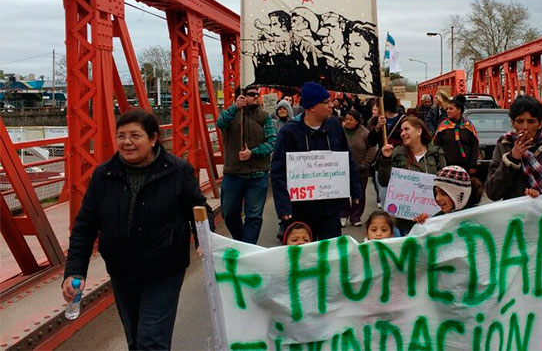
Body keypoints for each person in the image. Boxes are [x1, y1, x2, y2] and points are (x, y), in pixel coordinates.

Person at [62, 109, 209, 350]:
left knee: (151, 341)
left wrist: (204, 240)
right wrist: (75, 271)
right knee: (135, 339)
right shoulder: (104, 175)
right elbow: (85, 226)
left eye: (134, 135)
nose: (126, 142)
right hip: (122, 269)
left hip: (164, 267)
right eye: (121, 136)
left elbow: (199, 210)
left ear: (153, 139)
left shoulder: (177, 171)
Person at [271, 82, 361, 240]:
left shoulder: (334, 126)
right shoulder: (289, 133)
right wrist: (283, 207)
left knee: (331, 252)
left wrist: (355, 191)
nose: (331, 105)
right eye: (326, 102)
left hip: (330, 208)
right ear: (312, 106)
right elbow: (278, 171)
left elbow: (347, 159)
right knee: (306, 254)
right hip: (301, 209)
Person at [216, 84, 276, 244]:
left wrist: (253, 152)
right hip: (233, 173)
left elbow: (272, 142)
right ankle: (240, 240)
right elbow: (220, 123)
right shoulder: (231, 115)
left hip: (257, 174)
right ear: (240, 97)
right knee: (228, 213)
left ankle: (247, 247)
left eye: (257, 94)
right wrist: (235, 108)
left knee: (254, 216)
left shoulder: (264, 116)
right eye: (251, 94)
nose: (256, 96)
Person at [378, 115, 447, 234]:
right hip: (404, 223)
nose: (403, 133)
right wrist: (385, 159)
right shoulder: (396, 153)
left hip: (431, 221)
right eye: (401, 131)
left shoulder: (435, 153)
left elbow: (445, 184)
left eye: (406, 129)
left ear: (419, 131)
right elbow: (383, 181)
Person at [367, 91, 406, 207]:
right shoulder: (376, 121)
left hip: (400, 164)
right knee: (386, 201)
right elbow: (371, 141)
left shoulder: (403, 120)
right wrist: (378, 127)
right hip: (383, 164)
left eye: (377, 104)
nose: (374, 107)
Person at [341, 109, 377, 227]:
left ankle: (356, 217)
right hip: (343, 169)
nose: (348, 122)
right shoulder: (340, 131)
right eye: (346, 119)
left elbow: (372, 148)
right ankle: (344, 213)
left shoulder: (365, 133)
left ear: (357, 121)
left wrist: (364, 164)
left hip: (360, 170)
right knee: (343, 192)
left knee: (359, 193)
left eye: (351, 119)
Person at [413, 166, 483, 224]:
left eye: (443, 193)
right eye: (436, 193)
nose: (438, 198)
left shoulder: (480, 217)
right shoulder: (438, 218)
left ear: (457, 195)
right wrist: (426, 223)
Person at [433, 94, 480, 173]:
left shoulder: (468, 127)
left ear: (459, 110)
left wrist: (473, 165)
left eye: (451, 109)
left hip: (465, 166)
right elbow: (436, 145)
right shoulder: (443, 126)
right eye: (447, 109)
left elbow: (474, 146)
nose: (448, 111)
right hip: (446, 165)